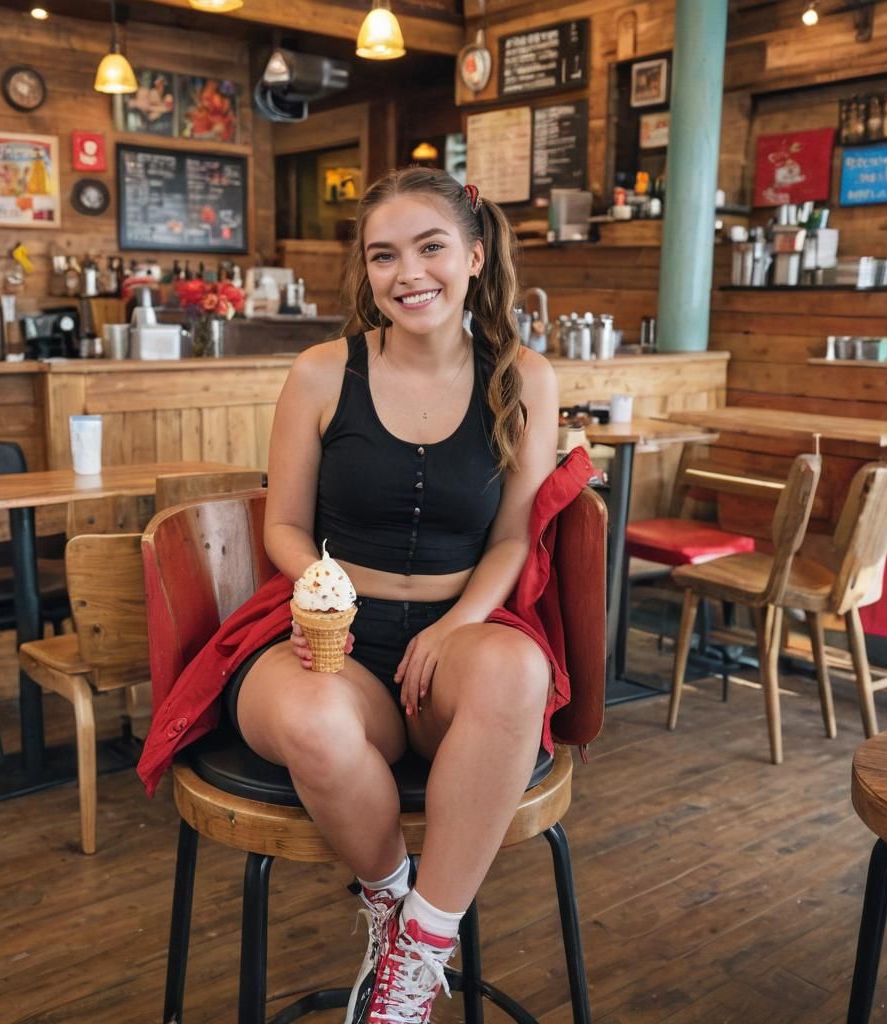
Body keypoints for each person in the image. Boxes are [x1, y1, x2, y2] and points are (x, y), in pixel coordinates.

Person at [221, 166, 561, 1023]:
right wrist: (321, 590)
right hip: (330, 627)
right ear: (366, 272)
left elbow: (516, 536)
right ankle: (389, 900)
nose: (408, 272)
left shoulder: (526, 377)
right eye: (384, 255)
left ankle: (419, 954)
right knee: (312, 719)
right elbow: (284, 528)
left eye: (431, 247)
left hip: (459, 626)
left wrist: (458, 625)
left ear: (476, 256)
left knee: (517, 672)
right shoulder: (320, 372)